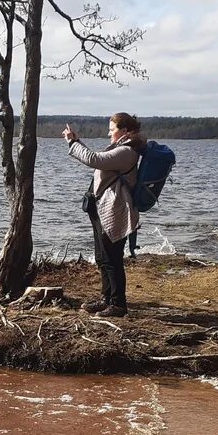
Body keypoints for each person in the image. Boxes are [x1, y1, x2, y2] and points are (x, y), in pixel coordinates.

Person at [62, 113, 147, 317]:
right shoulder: (122, 148)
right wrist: (77, 141)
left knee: (112, 258)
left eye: (112, 129)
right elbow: (98, 160)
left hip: (114, 211)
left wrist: (73, 142)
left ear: (125, 131)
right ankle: (106, 299)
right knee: (102, 257)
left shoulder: (127, 151)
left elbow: (94, 159)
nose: (109, 132)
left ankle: (118, 304)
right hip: (102, 208)